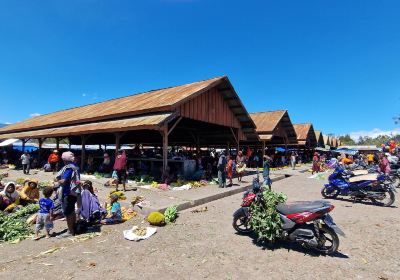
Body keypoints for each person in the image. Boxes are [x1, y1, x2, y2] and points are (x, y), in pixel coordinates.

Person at [55, 151, 81, 237]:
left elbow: (63, 181)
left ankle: (70, 231)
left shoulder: (69, 168)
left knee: (68, 212)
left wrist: (56, 182)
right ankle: (73, 228)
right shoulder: (76, 167)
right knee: (72, 210)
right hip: (74, 193)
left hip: (68, 192)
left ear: (65, 160)